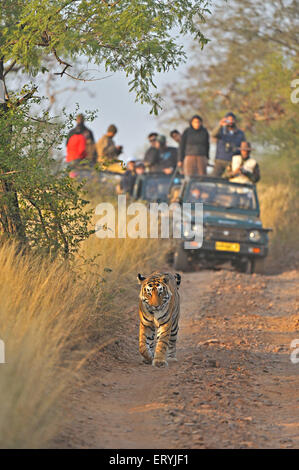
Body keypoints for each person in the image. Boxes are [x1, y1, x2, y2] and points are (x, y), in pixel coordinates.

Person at [212, 112, 246, 177]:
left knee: (232, 179)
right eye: (228, 120)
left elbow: (243, 146)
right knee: (215, 178)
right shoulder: (221, 130)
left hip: (233, 161)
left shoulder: (240, 133)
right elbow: (213, 134)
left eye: (232, 120)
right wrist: (220, 125)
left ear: (235, 121)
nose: (230, 122)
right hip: (220, 159)